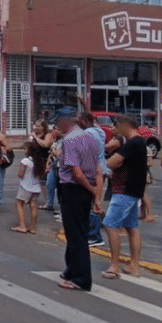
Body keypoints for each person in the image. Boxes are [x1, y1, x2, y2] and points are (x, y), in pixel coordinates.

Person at [54, 106, 102, 291]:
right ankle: (72, 270)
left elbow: (76, 173)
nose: (58, 126)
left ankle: (81, 278)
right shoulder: (90, 137)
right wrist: (95, 194)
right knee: (75, 231)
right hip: (84, 190)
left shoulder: (70, 140)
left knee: (76, 235)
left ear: (67, 122)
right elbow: (98, 169)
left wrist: (91, 190)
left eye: (59, 122)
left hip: (73, 189)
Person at [101, 115, 148, 279]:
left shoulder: (133, 143)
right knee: (131, 226)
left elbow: (112, 162)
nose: (115, 129)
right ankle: (134, 265)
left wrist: (111, 161)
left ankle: (114, 266)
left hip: (124, 190)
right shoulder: (139, 142)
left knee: (110, 225)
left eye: (117, 126)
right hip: (133, 191)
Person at [77, 111, 108, 248]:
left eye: (78, 121)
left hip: (94, 172)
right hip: (100, 170)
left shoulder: (88, 134)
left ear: (84, 121)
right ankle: (94, 231)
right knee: (94, 202)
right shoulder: (99, 131)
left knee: (92, 204)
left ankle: (95, 236)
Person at [11, 140, 47, 234]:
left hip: (25, 186)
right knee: (34, 206)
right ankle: (33, 227)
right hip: (36, 187)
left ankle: (22, 226)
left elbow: (20, 174)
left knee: (19, 203)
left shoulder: (25, 161)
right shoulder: (39, 161)